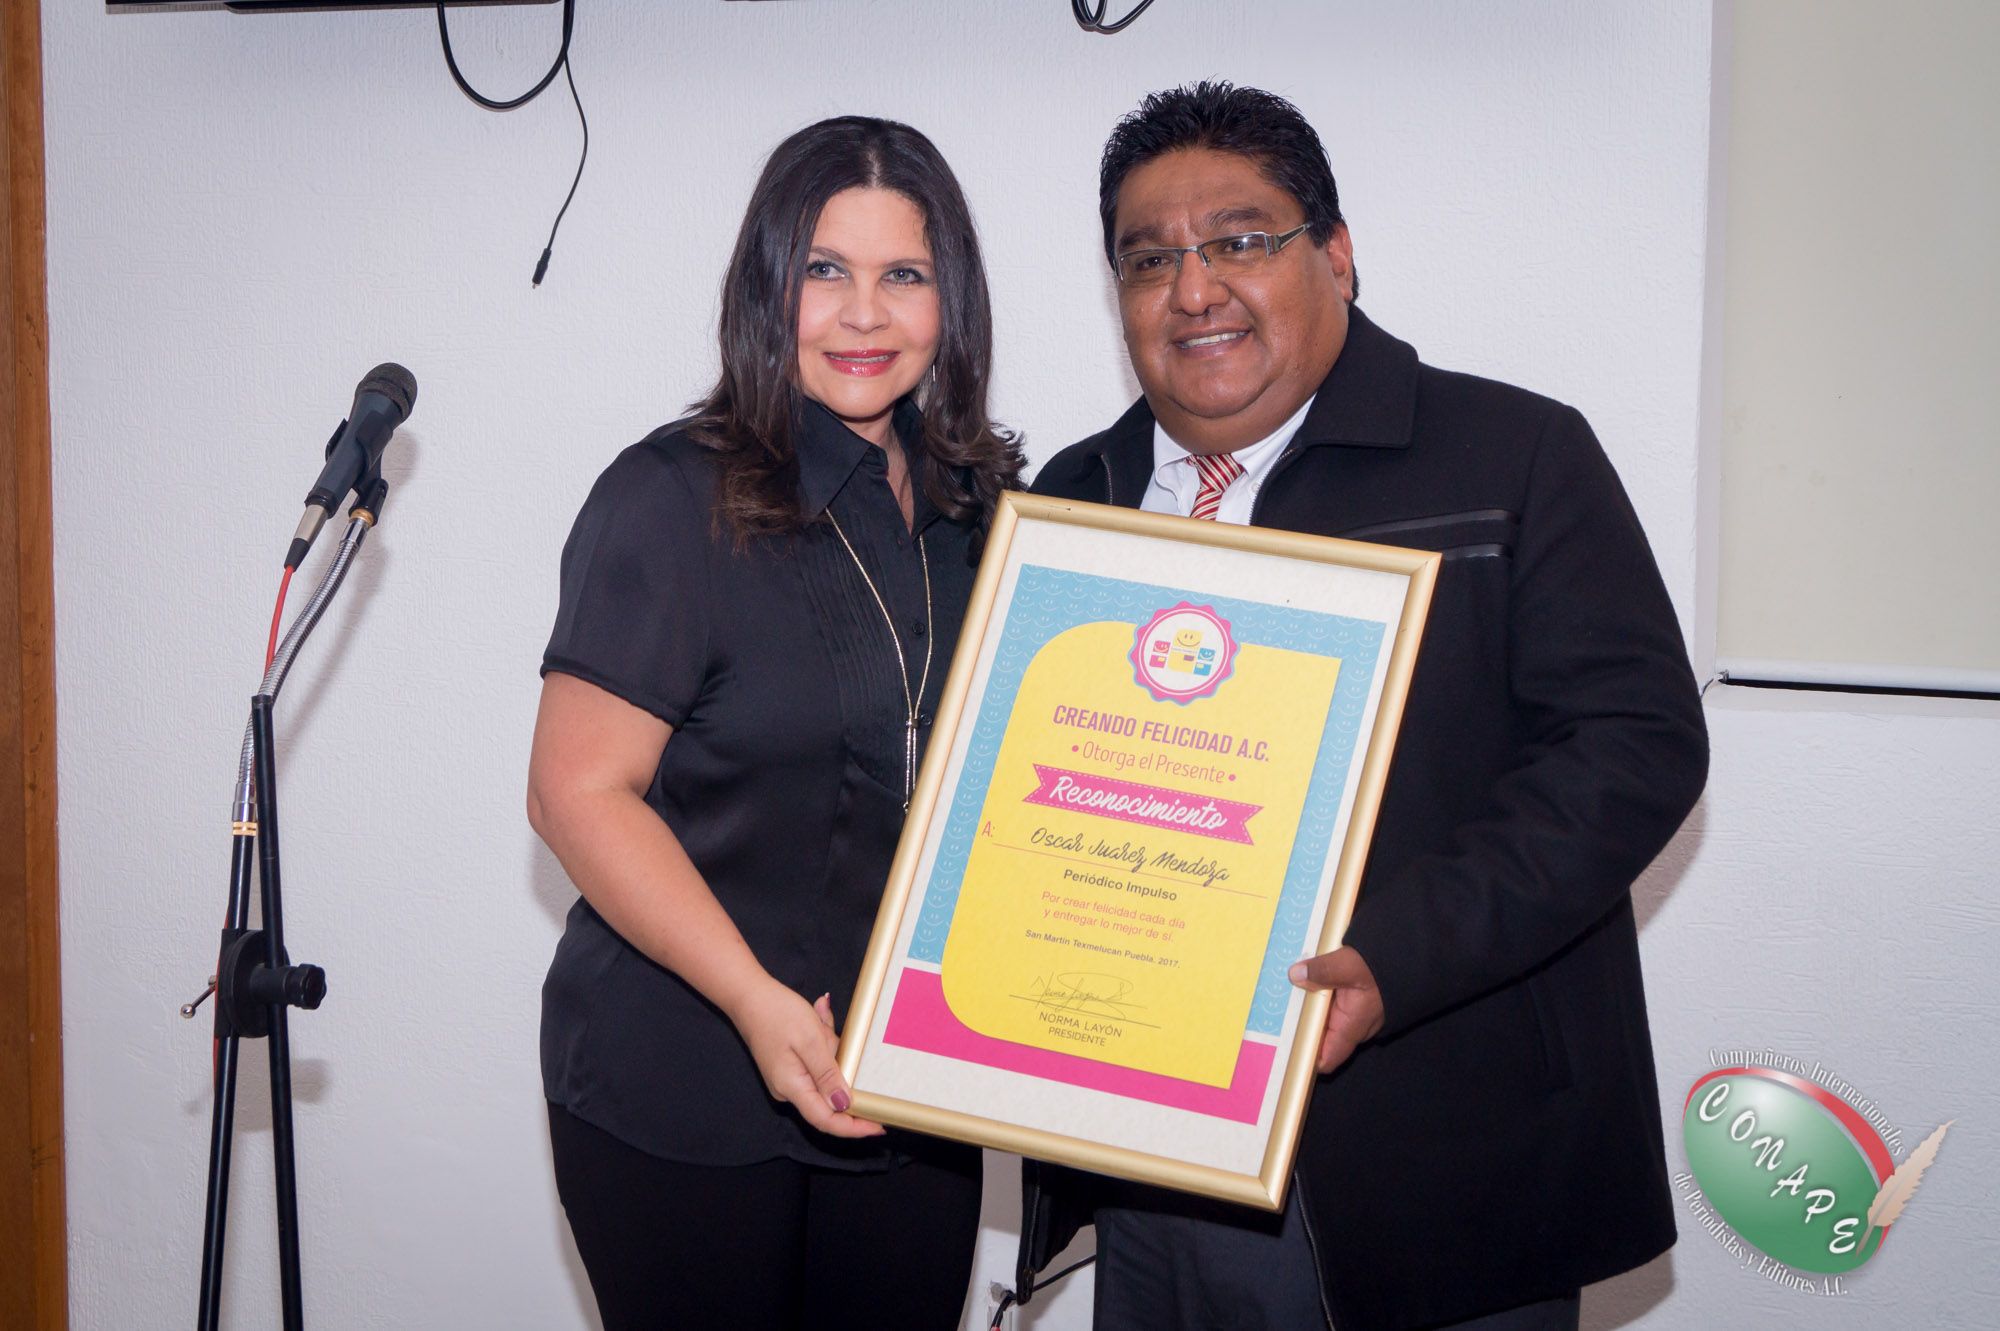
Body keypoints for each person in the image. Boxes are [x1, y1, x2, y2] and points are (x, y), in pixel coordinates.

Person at [1016, 83, 1709, 1331]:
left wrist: (1397, 954)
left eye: (1238, 239)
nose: (1192, 289)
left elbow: (1634, 747)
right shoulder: (1071, 498)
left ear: (1333, 254)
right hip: (1148, 1157)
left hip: (1443, 1154)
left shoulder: (1514, 453)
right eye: (1148, 258)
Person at [527, 116, 1022, 1331]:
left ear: (950, 302)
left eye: (903, 275)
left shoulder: (987, 509)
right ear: (766, 287)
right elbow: (577, 793)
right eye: (824, 270)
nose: (863, 314)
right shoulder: (670, 497)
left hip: (910, 1092)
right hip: (687, 1083)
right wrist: (754, 998)